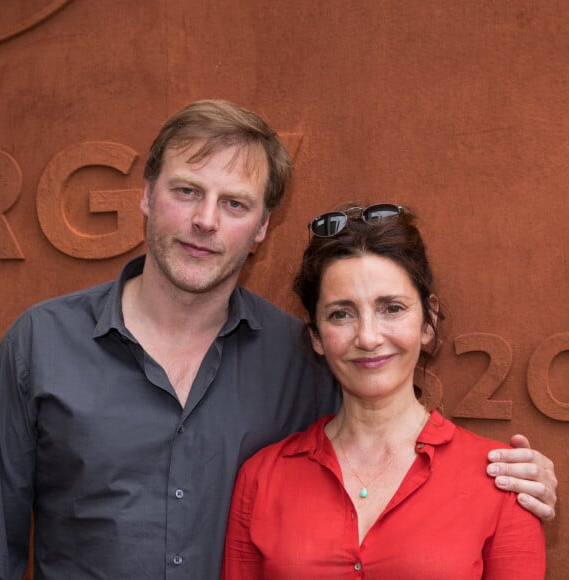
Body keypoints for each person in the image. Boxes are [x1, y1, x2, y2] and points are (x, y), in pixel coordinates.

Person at [0, 102, 554, 580]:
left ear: (264, 225)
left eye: (235, 203)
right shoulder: (40, 345)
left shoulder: (301, 356)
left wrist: (516, 481)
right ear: (145, 195)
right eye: (187, 191)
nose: (206, 220)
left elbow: (387, 438)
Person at [221, 203, 547, 579]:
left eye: (391, 308)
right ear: (316, 336)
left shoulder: (502, 478)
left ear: (429, 320)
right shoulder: (263, 478)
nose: (368, 337)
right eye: (341, 313)